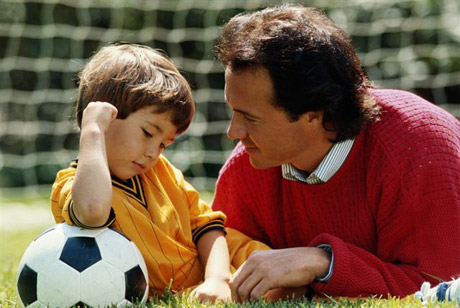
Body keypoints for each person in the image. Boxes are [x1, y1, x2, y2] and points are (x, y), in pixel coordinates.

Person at [212, 4, 460, 302]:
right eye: (233, 112)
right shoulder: (246, 169)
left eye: (250, 118)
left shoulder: (419, 148)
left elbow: (442, 287)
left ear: (313, 114)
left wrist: (323, 263)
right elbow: (223, 262)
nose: (233, 132)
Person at [50, 43, 273, 303]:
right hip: (180, 288)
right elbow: (93, 210)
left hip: (213, 264)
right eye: (147, 133)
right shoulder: (71, 184)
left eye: (163, 144)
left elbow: (207, 226)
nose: (153, 153)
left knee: (262, 260)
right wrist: (92, 132)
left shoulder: (160, 170)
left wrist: (217, 277)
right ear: (105, 116)